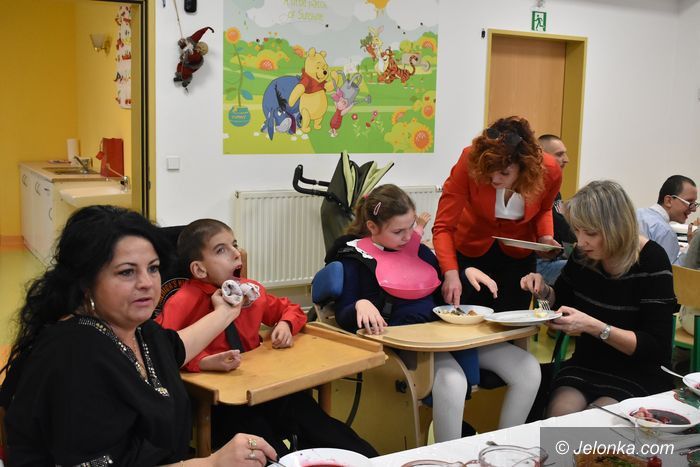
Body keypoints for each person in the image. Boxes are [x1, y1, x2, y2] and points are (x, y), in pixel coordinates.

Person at [0, 205, 277, 466]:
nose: (146, 283)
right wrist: (212, 462)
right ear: (85, 281)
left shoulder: (138, 331)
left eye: (153, 268)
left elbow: (175, 347)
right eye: (127, 272)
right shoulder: (74, 355)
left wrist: (227, 311)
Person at [325, 184, 541, 442]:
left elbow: (443, 293)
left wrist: (464, 275)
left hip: (443, 337)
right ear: (372, 227)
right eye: (398, 231)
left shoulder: (420, 252)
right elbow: (343, 314)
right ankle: (448, 457)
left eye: (411, 227)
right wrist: (360, 305)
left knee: (528, 367)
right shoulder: (354, 259)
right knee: (452, 381)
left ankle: (503, 446)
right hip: (404, 347)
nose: (408, 237)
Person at [157, 218, 377, 457]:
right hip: (223, 405)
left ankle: (373, 461)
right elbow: (161, 351)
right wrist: (202, 362)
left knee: (320, 424)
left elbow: (290, 309)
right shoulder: (182, 302)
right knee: (267, 447)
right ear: (199, 269)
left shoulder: (251, 291)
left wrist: (285, 323)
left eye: (234, 245)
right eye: (221, 250)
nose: (236, 253)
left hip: (262, 388)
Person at [521, 180, 676, 417]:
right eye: (577, 230)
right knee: (559, 419)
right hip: (588, 363)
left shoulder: (652, 260)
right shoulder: (583, 255)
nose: (581, 241)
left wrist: (595, 327)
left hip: (638, 372)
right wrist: (543, 292)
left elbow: (655, 347)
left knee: (591, 425)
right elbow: (561, 302)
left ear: (617, 227)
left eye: (591, 233)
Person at [432, 116, 563, 312]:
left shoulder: (549, 170)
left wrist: (545, 237)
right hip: (471, 248)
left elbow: (544, 209)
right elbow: (443, 226)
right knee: (470, 317)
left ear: (524, 168)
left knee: (513, 318)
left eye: (504, 173)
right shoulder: (470, 159)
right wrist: (451, 273)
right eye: (489, 171)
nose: (494, 179)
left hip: (518, 255)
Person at [535, 134, 577, 285]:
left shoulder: (553, 188)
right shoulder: (531, 190)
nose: (566, 159)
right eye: (559, 154)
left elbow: (563, 227)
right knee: (589, 272)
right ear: (541, 157)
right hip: (539, 262)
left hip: (557, 256)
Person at [636, 175, 698, 265]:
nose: (694, 209)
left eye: (695, 204)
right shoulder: (665, 231)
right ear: (668, 201)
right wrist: (692, 245)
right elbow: (673, 270)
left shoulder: (637, 213)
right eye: (689, 202)